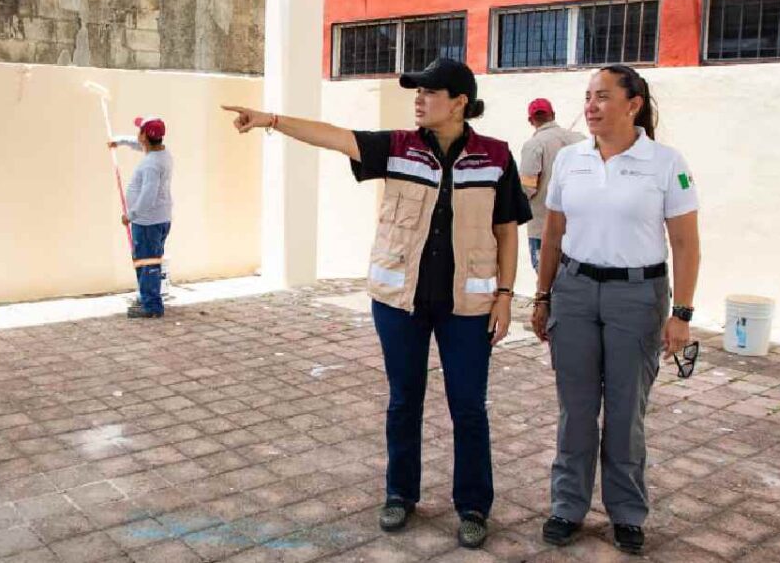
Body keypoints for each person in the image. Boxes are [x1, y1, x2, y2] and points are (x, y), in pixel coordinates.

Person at [223, 58, 530, 549]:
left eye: (429, 92)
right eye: (417, 91)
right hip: (399, 304)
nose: (418, 98)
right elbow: (334, 136)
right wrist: (273, 121)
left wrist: (506, 297)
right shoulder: (397, 146)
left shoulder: (496, 156)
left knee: (468, 407)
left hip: (467, 309)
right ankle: (400, 493)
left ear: (459, 103)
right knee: (404, 400)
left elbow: (507, 229)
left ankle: (473, 505)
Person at [531, 65, 700, 555]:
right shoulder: (570, 161)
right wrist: (542, 296)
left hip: (637, 295)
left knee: (626, 412)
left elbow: (686, 245)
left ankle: (627, 513)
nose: (590, 106)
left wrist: (681, 314)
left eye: (602, 96)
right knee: (576, 410)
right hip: (575, 290)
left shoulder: (666, 162)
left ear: (634, 105)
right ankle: (567, 506)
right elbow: (553, 236)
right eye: (587, 96)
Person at [110, 117, 173, 319]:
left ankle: (151, 306)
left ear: (145, 136)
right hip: (159, 219)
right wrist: (118, 141)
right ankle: (148, 298)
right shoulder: (162, 153)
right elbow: (140, 145)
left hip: (148, 222)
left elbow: (148, 196)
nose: (137, 135)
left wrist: (131, 215)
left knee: (147, 263)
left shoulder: (151, 165)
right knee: (149, 262)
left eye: (140, 131)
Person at [518, 98, 584, 271]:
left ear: (530, 120)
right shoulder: (580, 140)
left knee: (547, 280)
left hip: (543, 227)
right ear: (553, 115)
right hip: (579, 226)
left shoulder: (534, 145)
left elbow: (527, 188)